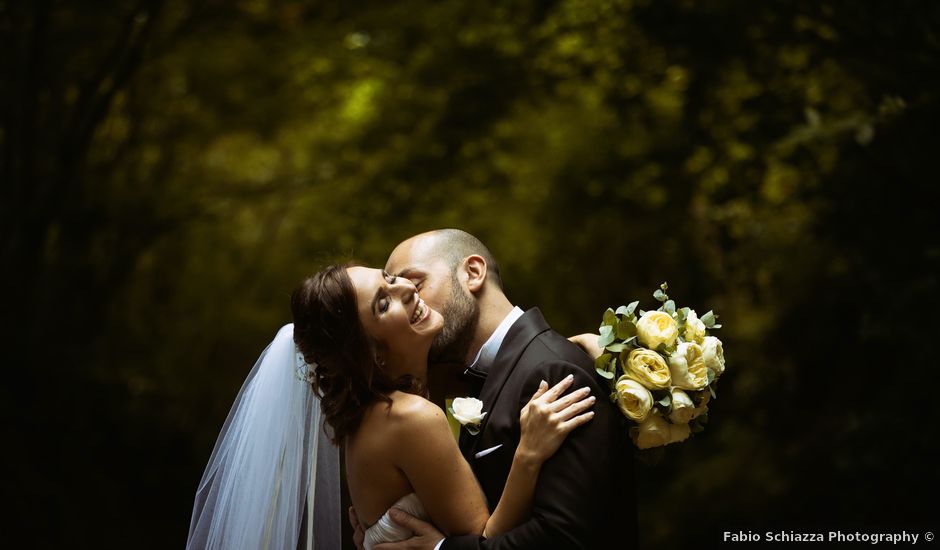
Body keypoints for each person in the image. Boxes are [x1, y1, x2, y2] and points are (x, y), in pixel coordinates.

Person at [186, 261, 595, 550]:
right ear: (372, 355)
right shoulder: (410, 418)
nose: (406, 289)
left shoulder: (379, 414)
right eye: (384, 304)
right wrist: (529, 454)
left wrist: (576, 346)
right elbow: (487, 539)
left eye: (390, 279)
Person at [354, 229, 638, 550]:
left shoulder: (552, 371)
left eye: (416, 284)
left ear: (473, 273)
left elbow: (563, 537)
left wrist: (440, 549)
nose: (410, 297)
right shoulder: (473, 379)